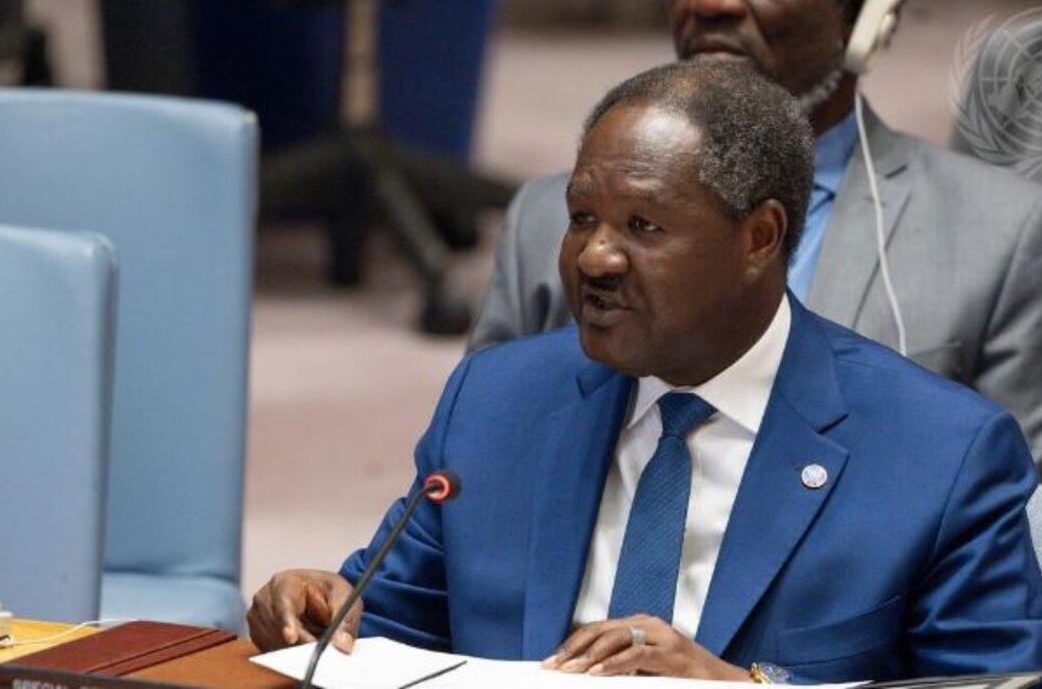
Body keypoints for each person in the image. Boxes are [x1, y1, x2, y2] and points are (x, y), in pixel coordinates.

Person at [248, 62, 1042, 683]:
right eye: (582, 217)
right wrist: (322, 613)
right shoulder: (495, 400)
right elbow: (392, 627)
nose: (595, 257)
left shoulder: (940, 453)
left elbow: (990, 684)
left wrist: (741, 688)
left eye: (643, 225)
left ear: (760, 238)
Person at [468, 0, 1042, 464]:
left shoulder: (1000, 233)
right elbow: (479, 465)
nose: (710, 3)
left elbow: (1015, 522)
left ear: (866, 12)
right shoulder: (549, 220)